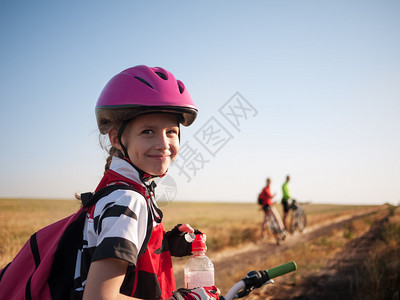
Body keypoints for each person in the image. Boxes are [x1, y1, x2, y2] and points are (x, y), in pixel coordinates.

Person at [76, 65, 219, 300]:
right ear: (117, 138)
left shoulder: (121, 191)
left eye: (171, 132)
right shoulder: (127, 201)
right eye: (148, 132)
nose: (163, 143)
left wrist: (164, 244)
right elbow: (99, 297)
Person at [258, 178, 286, 243]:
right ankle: (282, 231)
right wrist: (274, 195)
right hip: (268, 206)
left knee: (268, 222)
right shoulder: (266, 189)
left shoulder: (264, 189)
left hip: (265, 207)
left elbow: (262, 198)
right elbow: (270, 197)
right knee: (277, 217)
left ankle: (275, 237)